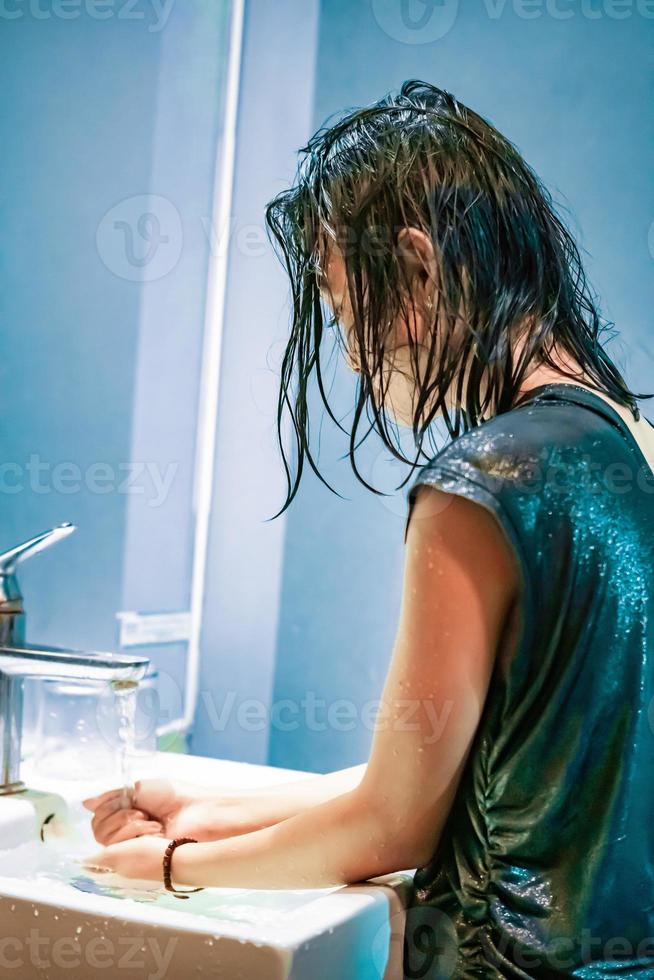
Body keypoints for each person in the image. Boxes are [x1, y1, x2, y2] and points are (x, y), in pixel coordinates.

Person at [83, 80, 654, 976]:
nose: (350, 355)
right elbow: (496, 776)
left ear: (421, 268)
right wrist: (214, 809)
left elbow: (398, 820)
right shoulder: (627, 438)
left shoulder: (480, 486)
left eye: (350, 316)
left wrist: (164, 870)